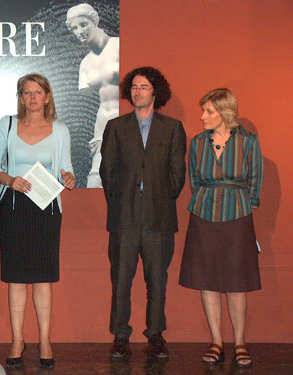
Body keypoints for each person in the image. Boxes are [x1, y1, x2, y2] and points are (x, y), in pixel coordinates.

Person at [0, 73, 75, 369]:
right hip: (14, 206)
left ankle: (45, 340)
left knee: (43, 277)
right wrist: (10, 180)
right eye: (27, 93)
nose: (32, 97)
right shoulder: (7, 124)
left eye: (38, 92)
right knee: (16, 278)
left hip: (47, 206)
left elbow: (66, 168)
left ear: (47, 97)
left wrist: (69, 178)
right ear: (20, 97)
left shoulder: (60, 129)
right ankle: (17, 339)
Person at [100, 67, 186, 359]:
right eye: (134, 87)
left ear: (155, 92)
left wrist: (158, 198)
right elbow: (107, 172)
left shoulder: (172, 127)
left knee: (157, 281)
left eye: (144, 87)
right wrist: (121, 201)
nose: (138, 91)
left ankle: (156, 335)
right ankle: (120, 335)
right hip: (123, 217)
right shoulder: (116, 126)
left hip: (159, 217)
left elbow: (177, 175)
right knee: (121, 280)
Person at [179, 88, 263, 368]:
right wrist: (205, 200)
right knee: (207, 279)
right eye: (203, 110)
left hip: (237, 215)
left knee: (237, 282)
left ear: (225, 113)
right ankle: (216, 341)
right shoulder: (198, 142)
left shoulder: (248, 141)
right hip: (203, 215)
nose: (202, 116)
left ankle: (240, 342)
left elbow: (255, 181)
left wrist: (244, 206)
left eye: (209, 111)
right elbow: (194, 180)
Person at [66, 3, 119, 187]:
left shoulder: (119, 45)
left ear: (94, 21)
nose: (80, 31)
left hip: (126, 120)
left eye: (83, 24)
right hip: (103, 122)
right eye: (74, 28)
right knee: (96, 179)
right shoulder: (85, 64)